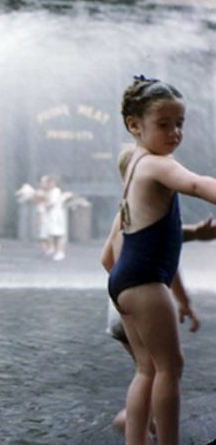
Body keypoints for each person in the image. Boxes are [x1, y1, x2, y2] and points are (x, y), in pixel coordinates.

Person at [103, 75, 216, 445]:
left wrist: (194, 234)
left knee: (146, 369)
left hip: (125, 281)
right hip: (145, 282)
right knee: (171, 367)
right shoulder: (157, 165)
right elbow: (198, 184)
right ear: (134, 125)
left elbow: (128, 245)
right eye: (164, 125)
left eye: (180, 124)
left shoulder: (135, 165)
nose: (175, 133)